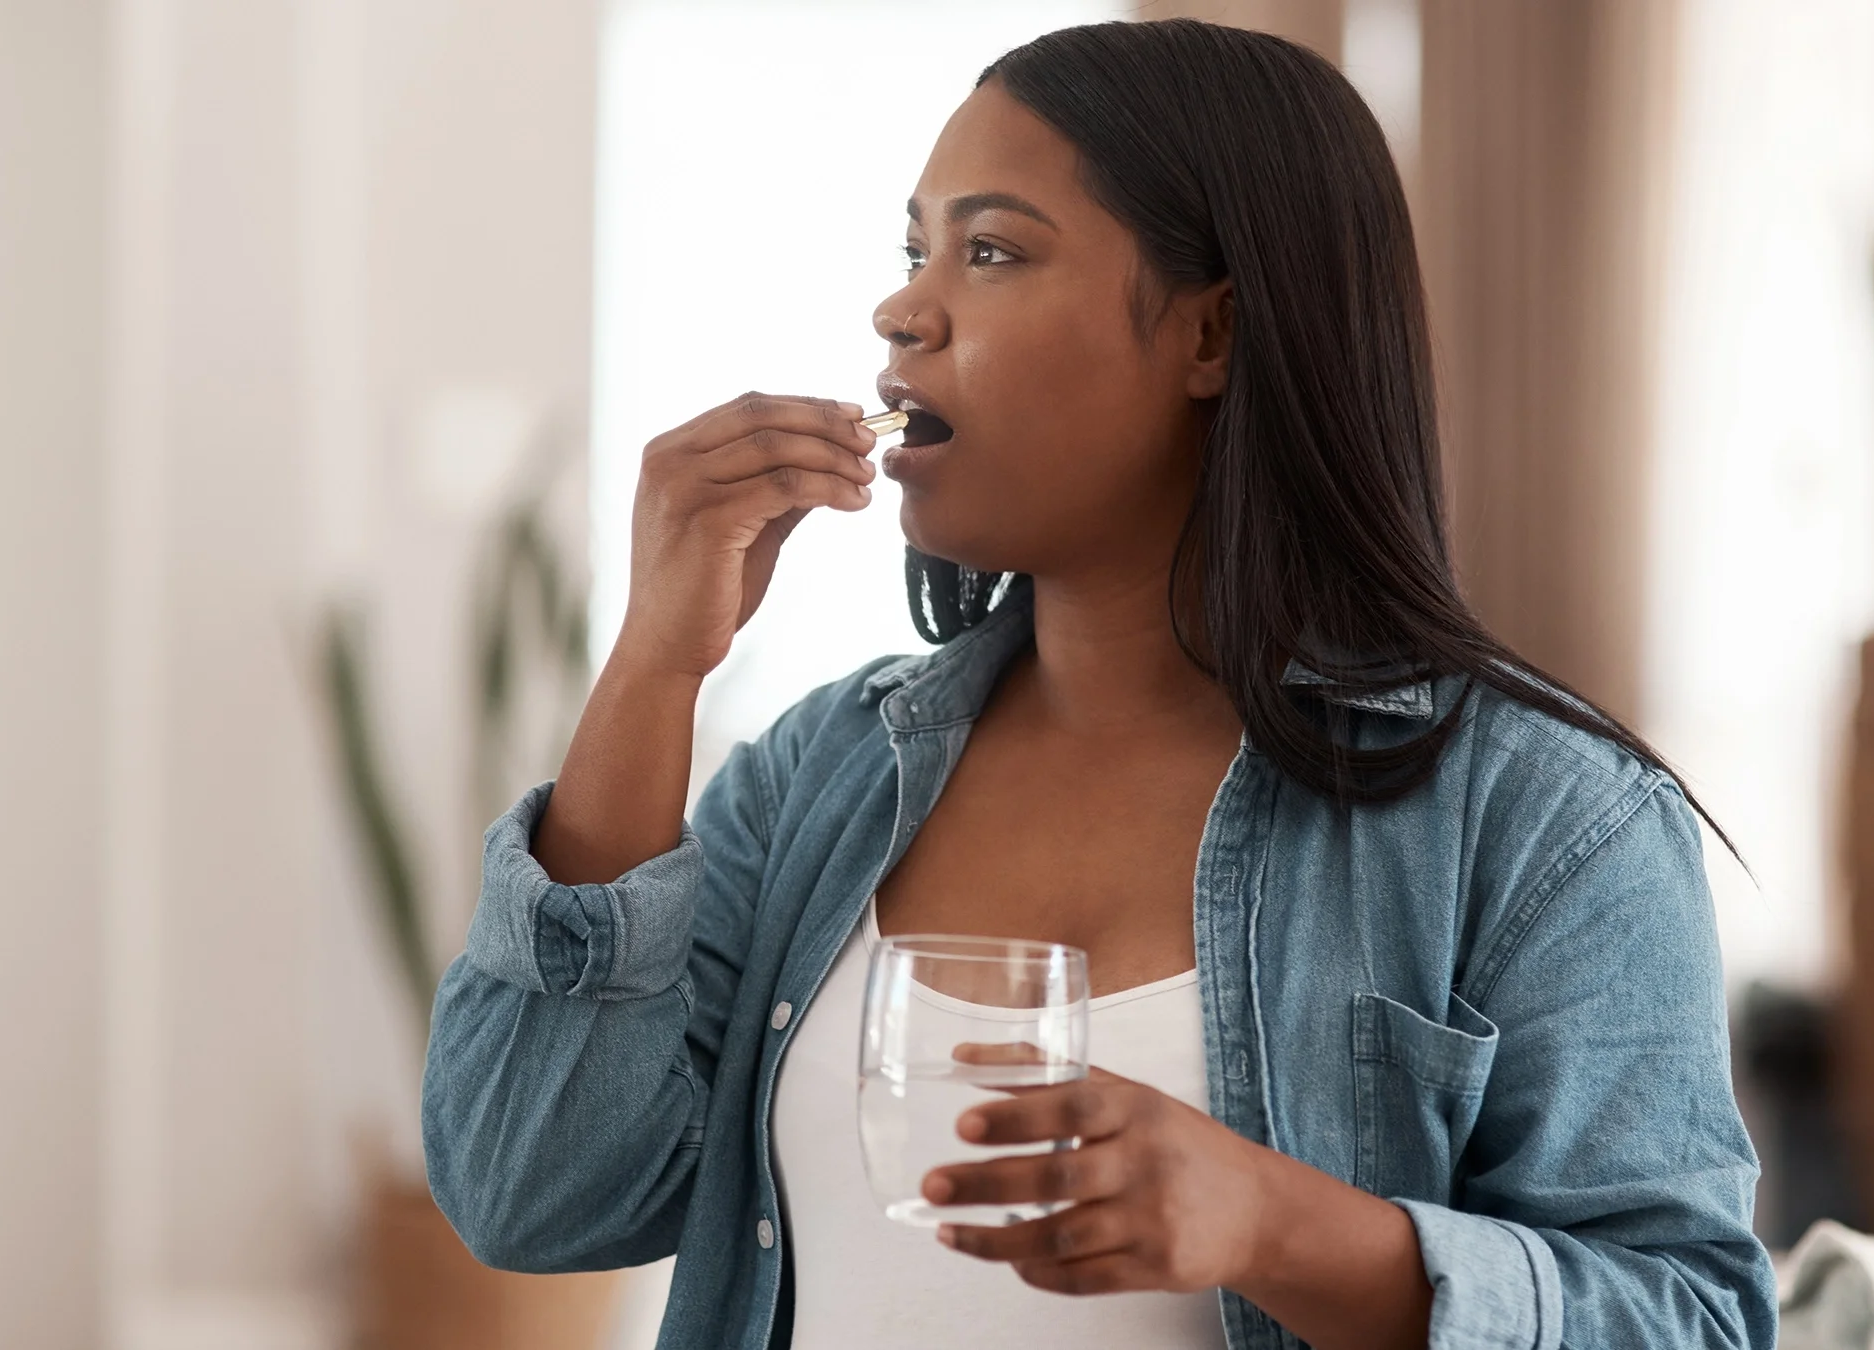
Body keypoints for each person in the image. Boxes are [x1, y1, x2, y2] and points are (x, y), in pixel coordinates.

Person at [423, 19, 1774, 1350]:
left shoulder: (1547, 818)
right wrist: (657, 662)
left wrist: (1279, 1226)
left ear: (1213, 336)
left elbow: (1694, 1320)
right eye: (913, 248)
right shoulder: (823, 772)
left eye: (993, 250)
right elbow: (531, 1195)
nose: (901, 306)